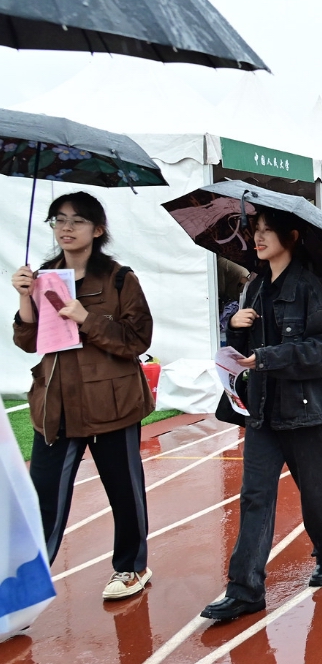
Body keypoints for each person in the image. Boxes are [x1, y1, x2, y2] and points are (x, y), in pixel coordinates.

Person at [202, 207, 322, 621]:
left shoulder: (309, 287)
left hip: (305, 411)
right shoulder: (253, 288)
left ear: (291, 236)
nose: (258, 237)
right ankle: (245, 588)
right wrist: (234, 326)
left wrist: (266, 357)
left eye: (268, 231)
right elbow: (241, 348)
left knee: (316, 491)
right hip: (262, 410)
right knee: (254, 496)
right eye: (255, 230)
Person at [12, 192, 154, 601]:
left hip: (112, 403)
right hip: (55, 404)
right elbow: (26, 341)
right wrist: (25, 298)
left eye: (76, 220)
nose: (66, 228)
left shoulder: (119, 278)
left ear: (98, 229)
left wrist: (84, 317)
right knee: (45, 500)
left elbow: (137, 339)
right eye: (59, 220)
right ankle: (24, 583)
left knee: (124, 492)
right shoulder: (42, 277)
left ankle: (130, 568)